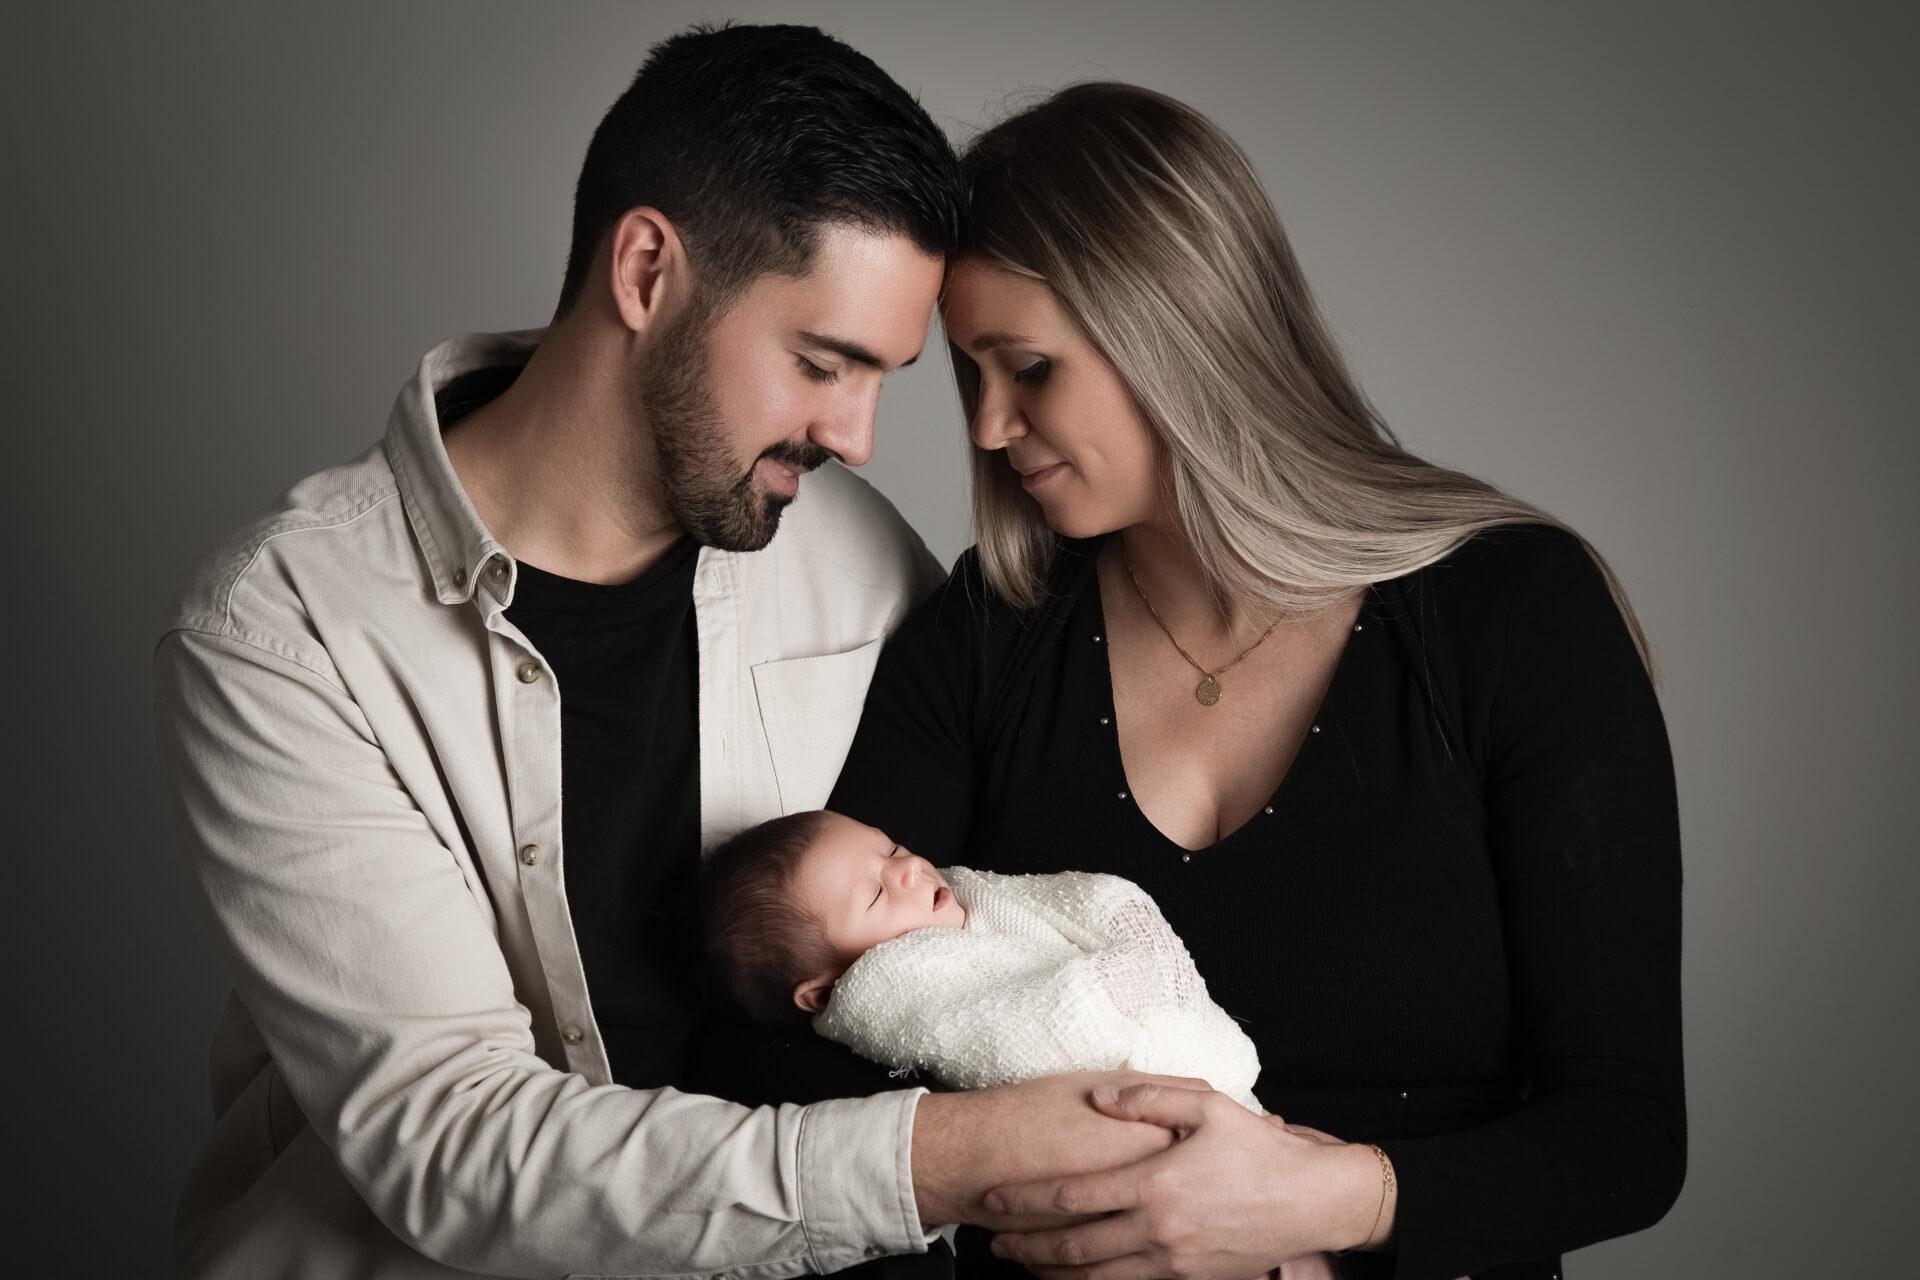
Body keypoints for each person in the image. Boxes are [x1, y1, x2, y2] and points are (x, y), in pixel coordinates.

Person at [154, 29, 1179, 1280]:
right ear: (645, 271)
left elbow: (1006, 918)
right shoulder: (288, 626)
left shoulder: (854, 555)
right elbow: (454, 1142)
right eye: (821, 361)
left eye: (885, 378)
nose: (858, 436)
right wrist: (941, 1155)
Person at [827, 83, 1686, 1280]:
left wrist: (1315, 1205)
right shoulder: (984, 637)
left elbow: (1626, 1135)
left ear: (1176, 328)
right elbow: (822, 1026)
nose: (986, 426)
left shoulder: (1512, 615)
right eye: (968, 375)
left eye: (1026, 367)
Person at [698, 809, 1263, 1109]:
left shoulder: (966, 896)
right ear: (825, 992)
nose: (909, 869)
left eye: (891, 848)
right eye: (874, 895)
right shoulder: (902, 997)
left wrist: (1120, 918)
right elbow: (1035, 1035)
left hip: (1218, 1087)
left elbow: (1075, 898)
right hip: (1147, 1098)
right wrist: (1120, 979)